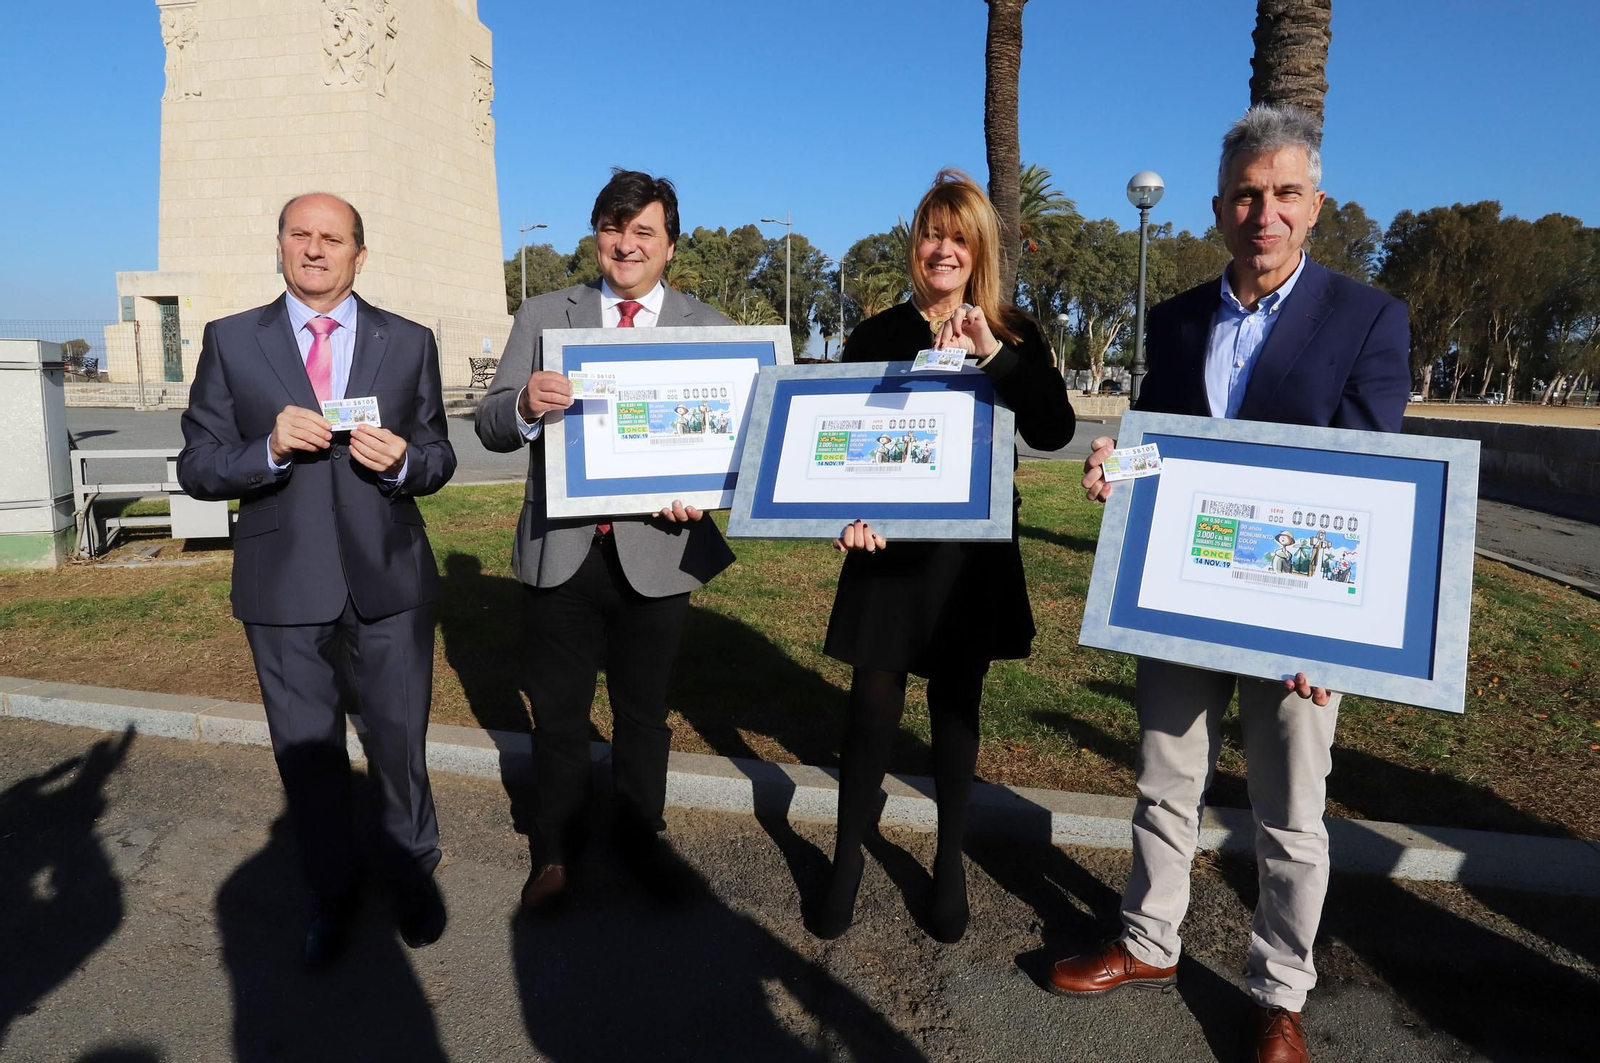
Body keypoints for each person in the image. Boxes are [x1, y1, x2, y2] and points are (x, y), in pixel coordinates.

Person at [1049, 105, 1409, 1063]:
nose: (1265, 212)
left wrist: (1341, 633)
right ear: (1217, 210)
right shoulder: (1174, 321)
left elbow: (1379, 480)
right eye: (1248, 195)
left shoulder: (1369, 318)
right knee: (1166, 781)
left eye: (1285, 193)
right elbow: (1159, 450)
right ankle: (1148, 939)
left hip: (1300, 622)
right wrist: (1111, 468)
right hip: (1184, 600)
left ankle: (1279, 988)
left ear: (1314, 206)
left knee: (1291, 810)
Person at [177, 192, 457, 967]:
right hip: (282, 583)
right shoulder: (233, 341)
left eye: (331, 238)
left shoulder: (409, 342)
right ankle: (331, 892)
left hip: (389, 578)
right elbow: (197, 464)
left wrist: (403, 459)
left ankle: (413, 872)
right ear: (279, 246)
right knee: (308, 754)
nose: (314, 248)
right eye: (300, 234)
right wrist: (263, 448)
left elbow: (439, 454)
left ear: (358, 256)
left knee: (400, 741)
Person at [818, 169, 1075, 943]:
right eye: (933, 233)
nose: (943, 249)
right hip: (887, 551)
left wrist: (994, 352)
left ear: (981, 249)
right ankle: (846, 857)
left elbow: (1054, 429)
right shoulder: (878, 333)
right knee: (871, 704)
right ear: (916, 244)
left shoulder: (1015, 330)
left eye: (959, 237)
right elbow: (839, 443)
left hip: (971, 558)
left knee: (956, 707)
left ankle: (949, 862)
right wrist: (845, 510)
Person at [475, 169, 735, 913]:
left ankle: (639, 837)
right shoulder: (542, 313)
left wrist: (710, 488)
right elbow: (491, 423)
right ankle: (554, 850)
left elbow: (742, 443)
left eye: (643, 231)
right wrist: (524, 402)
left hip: (660, 551)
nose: (626, 244)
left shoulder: (709, 327)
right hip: (560, 548)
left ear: (670, 246)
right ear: (597, 238)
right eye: (613, 229)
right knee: (557, 714)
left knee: (643, 713)